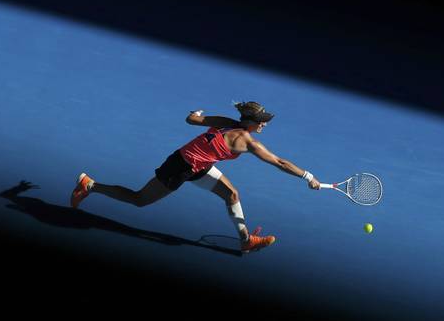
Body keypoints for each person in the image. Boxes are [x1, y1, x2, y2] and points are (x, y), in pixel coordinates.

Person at [70, 101, 321, 253]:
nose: (265, 124)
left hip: (199, 164)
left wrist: (195, 112)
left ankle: (246, 241)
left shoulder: (226, 121)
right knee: (139, 200)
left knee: (231, 194)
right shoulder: (248, 142)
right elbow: (279, 162)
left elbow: (192, 120)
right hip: (180, 167)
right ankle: (90, 185)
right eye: (262, 121)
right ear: (252, 122)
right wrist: (308, 176)